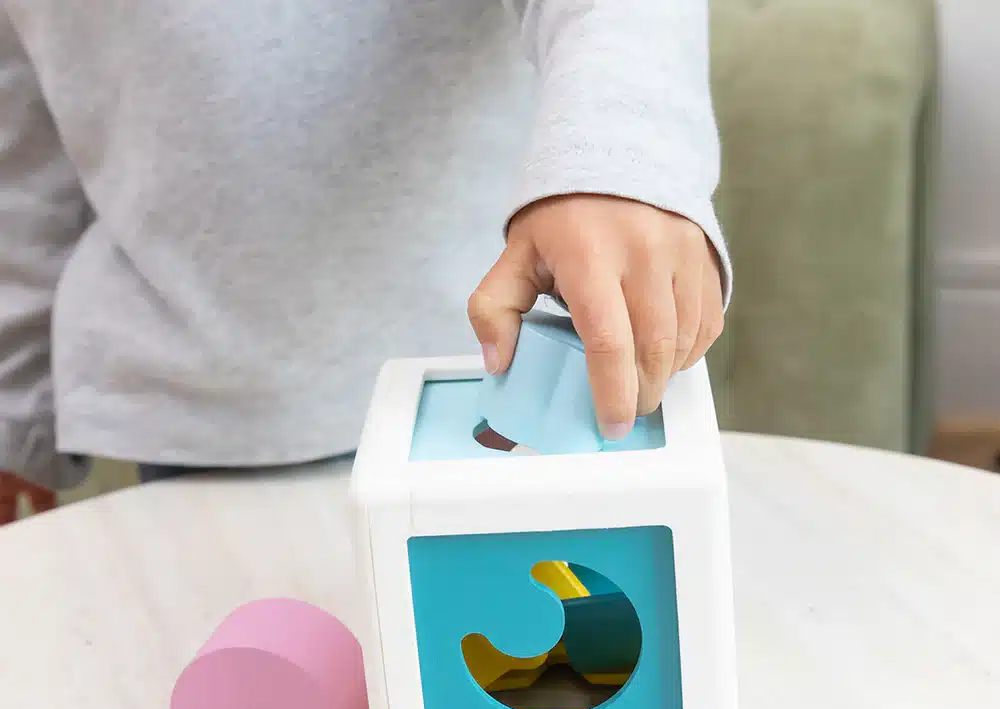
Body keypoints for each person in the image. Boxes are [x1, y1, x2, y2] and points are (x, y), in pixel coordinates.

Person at [0, 0, 730, 525]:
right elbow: (25, 152)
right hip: (196, 406)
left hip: (491, 379)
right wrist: (15, 420)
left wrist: (619, 163)